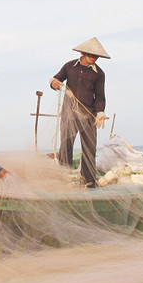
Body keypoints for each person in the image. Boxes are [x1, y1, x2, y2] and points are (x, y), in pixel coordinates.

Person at [50, 37, 109, 187]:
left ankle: (89, 181)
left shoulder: (99, 74)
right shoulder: (70, 66)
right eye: (92, 55)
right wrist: (54, 83)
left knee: (89, 148)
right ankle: (64, 179)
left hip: (88, 116)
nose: (95, 58)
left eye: (97, 56)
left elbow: (100, 96)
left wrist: (100, 113)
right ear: (83, 53)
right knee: (65, 146)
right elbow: (56, 79)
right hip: (69, 115)